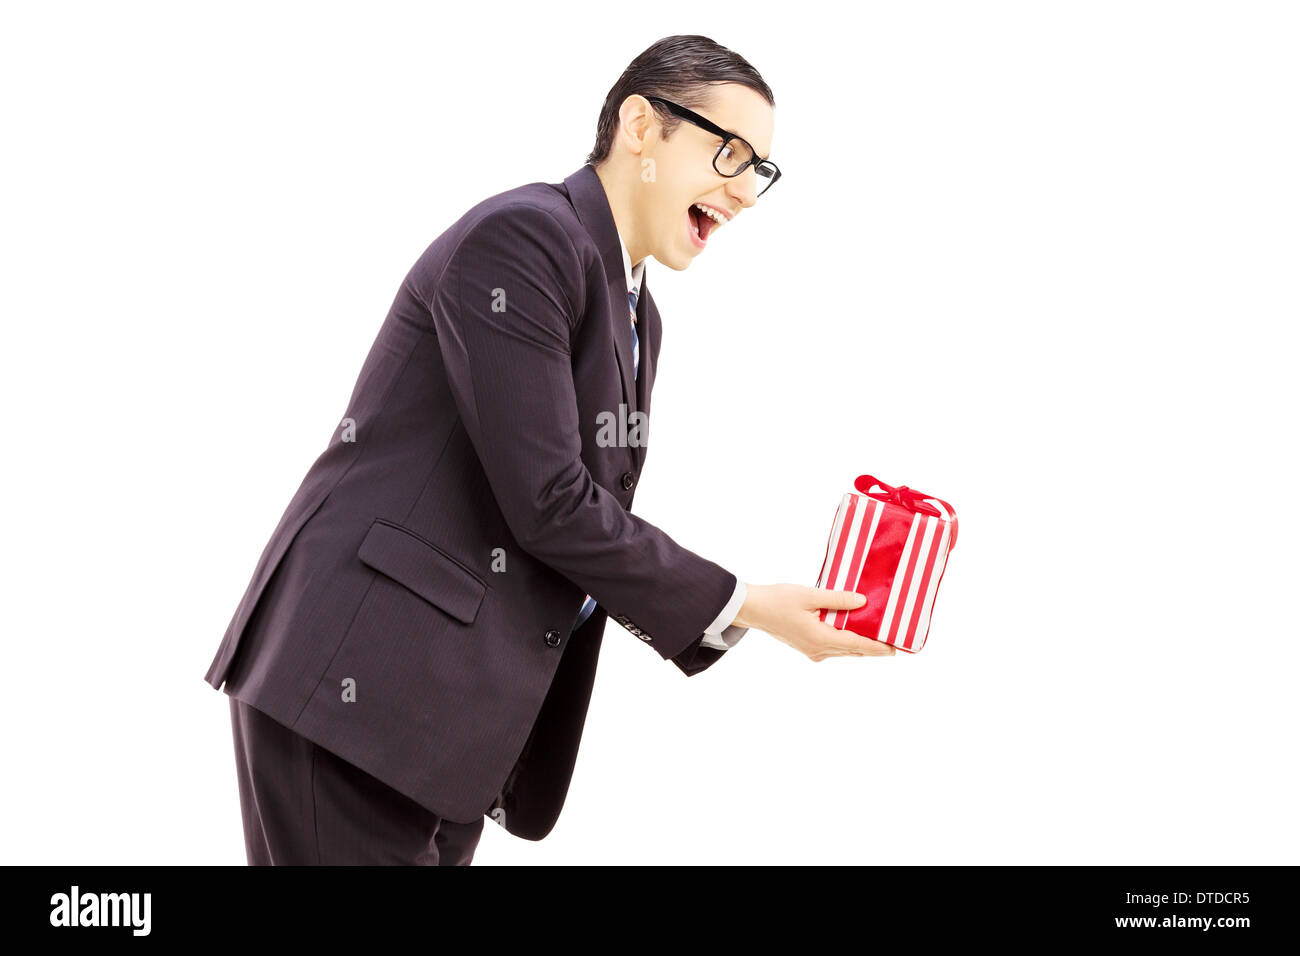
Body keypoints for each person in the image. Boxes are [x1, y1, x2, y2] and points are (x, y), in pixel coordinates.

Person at [204, 34, 894, 867]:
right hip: (360, 689)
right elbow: (551, 503)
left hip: (448, 728)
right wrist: (748, 604)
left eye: (762, 171)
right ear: (642, 125)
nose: (745, 191)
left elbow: (581, 518)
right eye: (731, 153)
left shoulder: (641, 316)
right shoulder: (525, 239)